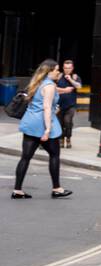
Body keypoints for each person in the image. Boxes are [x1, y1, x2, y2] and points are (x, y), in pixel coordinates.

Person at [10, 60, 73, 199]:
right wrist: (47, 130)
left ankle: (17, 190)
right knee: (54, 155)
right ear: (49, 71)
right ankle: (57, 188)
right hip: (42, 124)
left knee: (25, 158)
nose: (59, 72)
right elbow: (46, 108)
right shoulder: (49, 86)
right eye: (57, 70)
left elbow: (38, 102)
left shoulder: (37, 83)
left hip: (30, 123)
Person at [56, 58, 83, 148]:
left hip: (70, 105)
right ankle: (61, 139)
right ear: (63, 68)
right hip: (59, 105)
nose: (67, 70)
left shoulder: (75, 77)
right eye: (65, 68)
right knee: (59, 123)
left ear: (72, 68)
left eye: (69, 68)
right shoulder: (59, 76)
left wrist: (70, 80)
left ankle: (68, 138)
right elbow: (53, 87)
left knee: (68, 122)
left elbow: (79, 86)